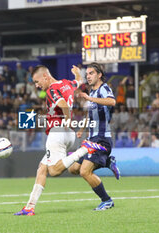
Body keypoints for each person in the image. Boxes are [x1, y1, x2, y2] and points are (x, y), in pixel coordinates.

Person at [14, 65, 108, 216]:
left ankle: (84, 149)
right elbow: (78, 81)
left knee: (54, 171)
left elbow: (63, 104)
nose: (37, 85)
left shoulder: (51, 89)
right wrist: (77, 73)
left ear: (45, 76)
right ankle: (29, 207)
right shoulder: (66, 83)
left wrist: (68, 119)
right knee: (42, 168)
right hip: (68, 134)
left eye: (37, 81)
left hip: (57, 132)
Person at [67, 63, 120, 211]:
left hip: (102, 139)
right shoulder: (92, 91)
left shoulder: (104, 88)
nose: (88, 76)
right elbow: (89, 113)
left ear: (99, 75)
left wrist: (90, 98)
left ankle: (107, 200)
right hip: (91, 139)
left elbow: (112, 101)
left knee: (85, 171)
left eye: (91, 73)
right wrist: (82, 129)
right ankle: (107, 162)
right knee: (73, 169)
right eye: (87, 74)